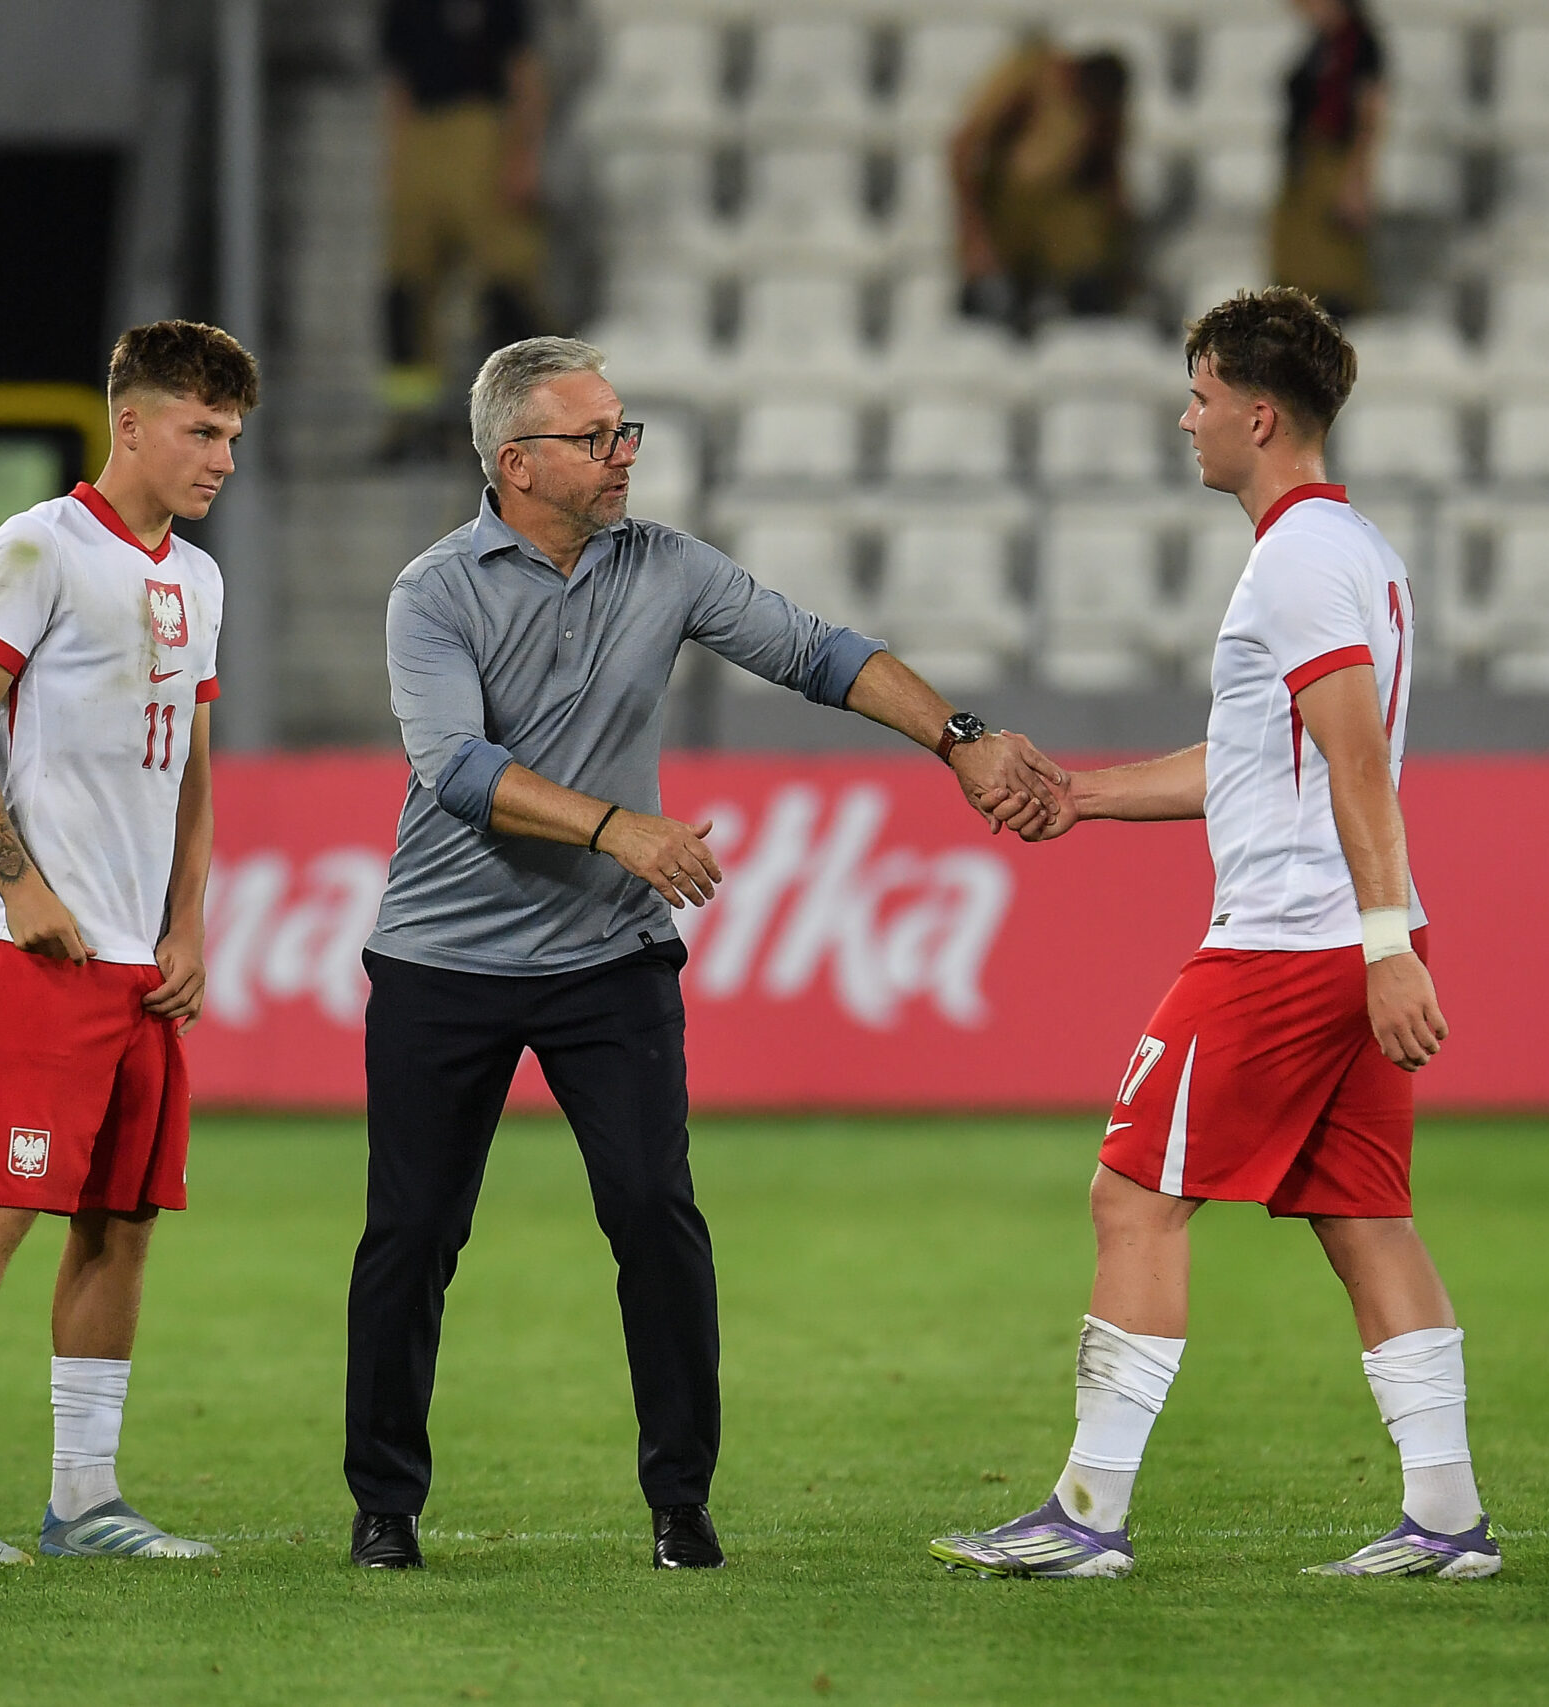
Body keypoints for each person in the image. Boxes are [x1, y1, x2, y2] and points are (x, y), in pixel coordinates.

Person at [344, 337, 1065, 1573]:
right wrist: (620, 828)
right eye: (595, 438)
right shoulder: (435, 592)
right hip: (443, 963)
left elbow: (819, 652)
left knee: (652, 1214)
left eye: (626, 431)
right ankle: (384, 1507)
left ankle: (681, 1502)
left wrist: (960, 737)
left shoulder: (666, 566)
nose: (624, 454)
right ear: (515, 463)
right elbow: (453, 772)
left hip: (606, 962)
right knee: (412, 1235)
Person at [931, 288, 1498, 1582]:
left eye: (1197, 397)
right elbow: (1259, 760)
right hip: (1346, 936)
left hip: (1289, 945)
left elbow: (1355, 759)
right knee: (1365, 1215)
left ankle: (1087, 1512)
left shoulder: (1294, 561)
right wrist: (1080, 793)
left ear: (1258, 412)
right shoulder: (1356, 551)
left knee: (1132, 1191)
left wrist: (1376, 941)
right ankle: (1448, 1517)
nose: (1183, 420)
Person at [0, 321, 259, 1564]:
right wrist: (21, 883)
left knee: (123, 1219)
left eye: (234, 438)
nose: (222, 460)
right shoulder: (38, 545)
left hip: (142, 967)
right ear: (132, 422)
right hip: (40, 950)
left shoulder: (198, 581)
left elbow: (194, 769)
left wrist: (188, 922)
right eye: (203, 432)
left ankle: (86, 1501)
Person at [381, 0, 551, 410]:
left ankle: (527, 410)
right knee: (407, 288)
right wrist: (394, 163)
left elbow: (523, 71)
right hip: (423, 132)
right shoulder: (402, 11)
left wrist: (523, 154)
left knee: (507, 284)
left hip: (485, 130)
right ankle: (412, 418)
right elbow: (398, 85)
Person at [951, 38, 1135, 329]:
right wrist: (974, 234)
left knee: (1093, 296)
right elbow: (964, 147)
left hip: (1063, 216)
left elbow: (1109, 178)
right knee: (987, 309)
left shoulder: (1102, 111)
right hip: (1004, 209)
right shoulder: (1029, 77)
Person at [1271, 0, 1389, 320]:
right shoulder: (1322, 44)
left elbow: (1369, 115)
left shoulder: (1360, 44)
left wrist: (1357, 180)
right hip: (1307, 167)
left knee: (1332, 279)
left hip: (1334, 165)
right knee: (1295, 280)